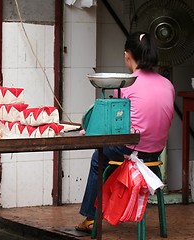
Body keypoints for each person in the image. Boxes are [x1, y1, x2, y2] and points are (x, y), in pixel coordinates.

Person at [75, 31, 175, 233]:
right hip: (155, 152)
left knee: (98, 159)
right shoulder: (168, 84)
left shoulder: (127, 85)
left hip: (131, 150)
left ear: (128, 55)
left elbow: (114, 125)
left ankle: (91, 218)